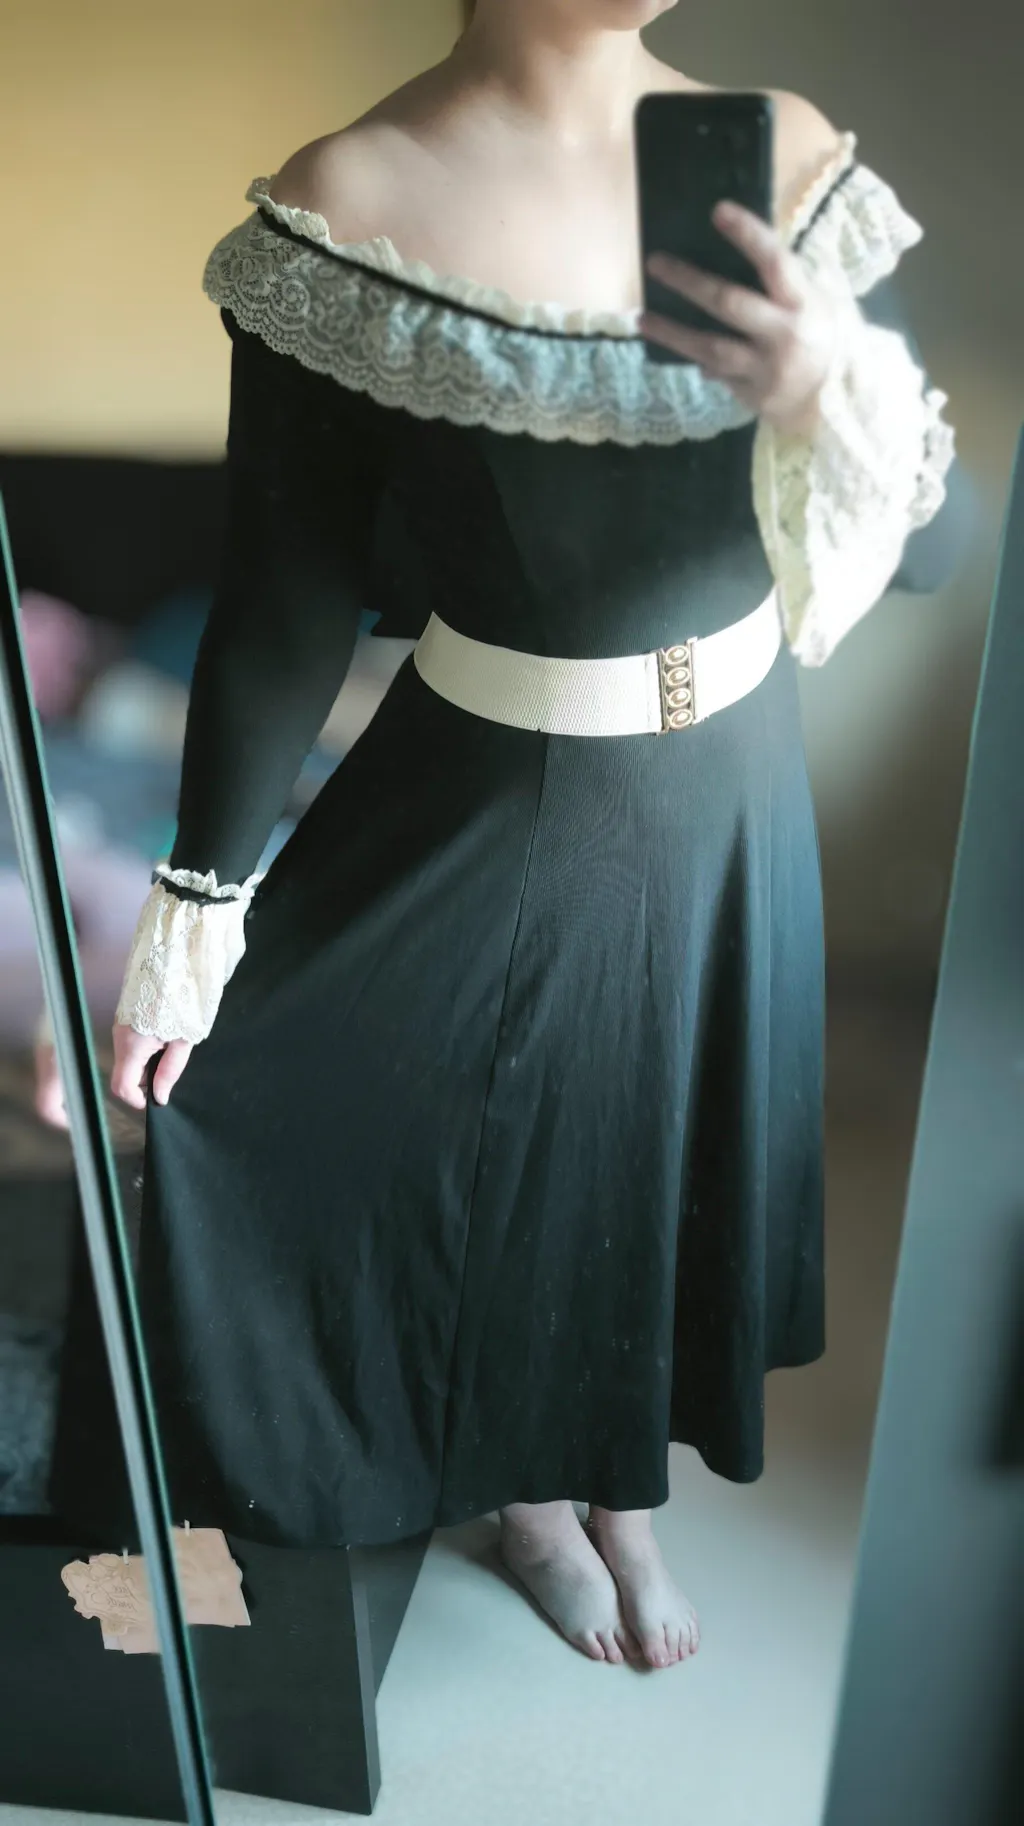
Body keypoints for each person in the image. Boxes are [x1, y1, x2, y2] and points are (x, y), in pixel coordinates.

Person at [103, 0, 956, 1672]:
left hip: (740, 782)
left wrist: (826, 383)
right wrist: (193, 911)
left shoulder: (784, 157)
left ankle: (619, 1486)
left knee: (660, 1138)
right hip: (503, 787)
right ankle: (533, 1498)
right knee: (516, 1147)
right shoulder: (348, 200)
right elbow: (282, 602)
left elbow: (931, 547)